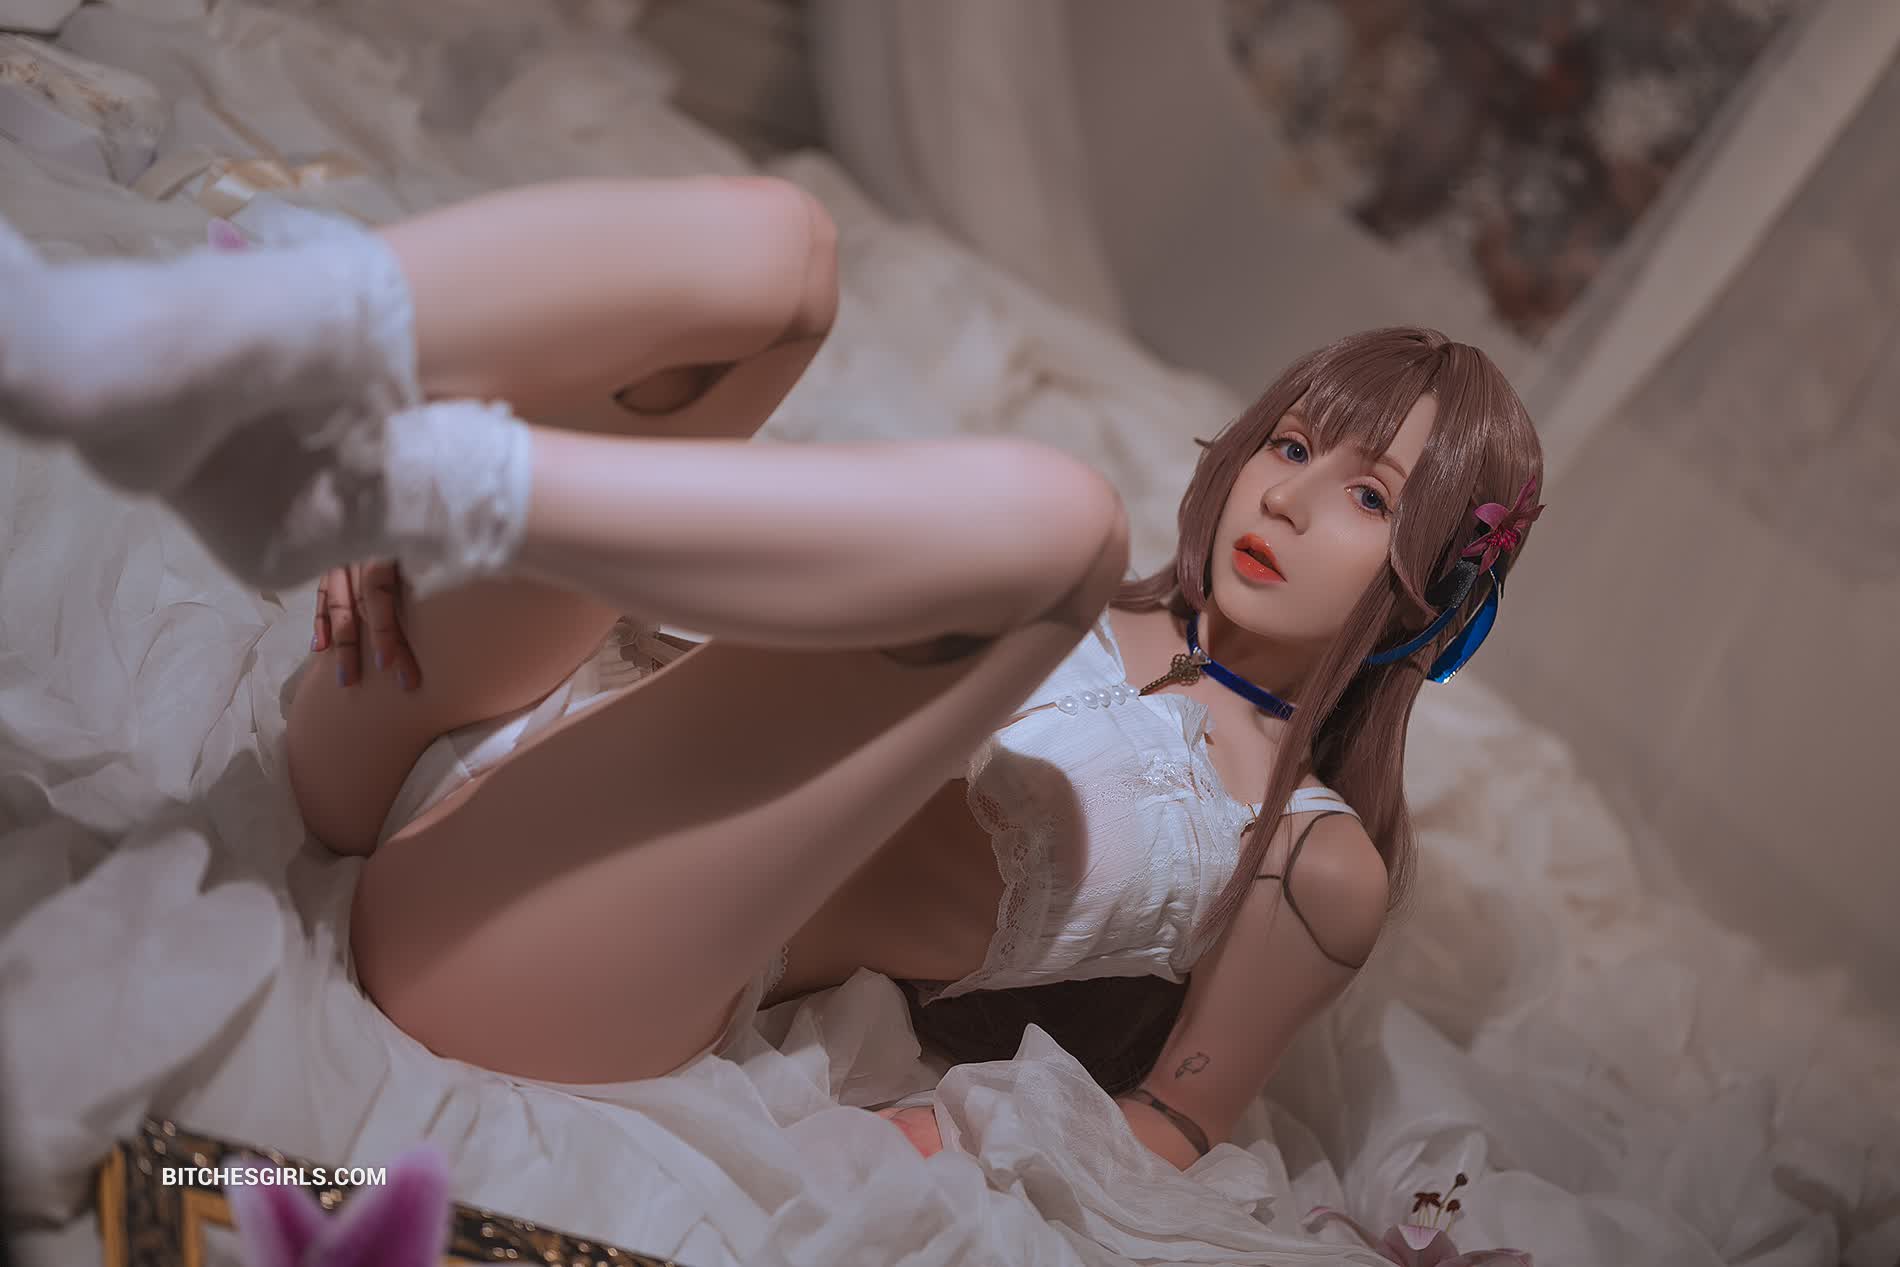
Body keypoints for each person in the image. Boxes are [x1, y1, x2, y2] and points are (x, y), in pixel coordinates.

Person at [0, 176, 1542, 1171]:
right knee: (780, 251)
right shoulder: (1100, 597)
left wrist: (947, 1147)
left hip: (550, 926)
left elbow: (1174, 1122)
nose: (1285, 497)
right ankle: (246, 359)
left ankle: (401, 470)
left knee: (1059, 524)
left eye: (1365, 493)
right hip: (447, 709)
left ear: (1435, 591)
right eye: (1289, 442)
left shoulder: (1311, 861)